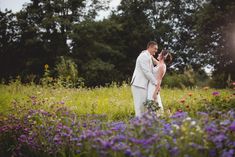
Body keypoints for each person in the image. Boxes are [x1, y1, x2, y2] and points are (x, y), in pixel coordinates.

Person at [131, 41, 158, 117]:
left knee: (144, 108)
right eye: (155, 49)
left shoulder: (148, 56)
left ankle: (143, 126)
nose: (156, 51)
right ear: (150, 47)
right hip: (138, 84)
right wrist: (156, 83)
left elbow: (155, 69)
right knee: (139, 107)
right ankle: (138, 126)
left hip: (144, 86)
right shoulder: (144, 56)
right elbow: (146, 72)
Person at [147, 49, 172, 115]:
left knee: (153, 104)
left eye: (160, 53)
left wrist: (155, 92)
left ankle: (158, 118)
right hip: (151, 86)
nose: (158, 54)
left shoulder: (162, 66)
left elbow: (159, 80)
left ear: (163, 56)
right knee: (151, 105)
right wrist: (147, 53)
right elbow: (153, 60)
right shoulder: (159, 64)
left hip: (154, 87)